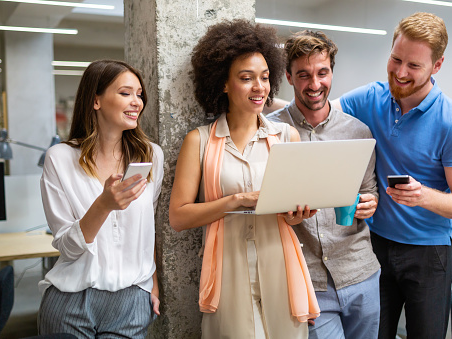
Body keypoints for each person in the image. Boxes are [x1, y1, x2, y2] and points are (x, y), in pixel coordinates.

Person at [169, 19, 320, 339]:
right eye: (246, 78)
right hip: (227, 268)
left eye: (265, 78)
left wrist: (297, 215)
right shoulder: (199, 141)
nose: (259, 87)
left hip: (280, 261)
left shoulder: (286, 136)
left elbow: (291, 211)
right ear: (223, 83)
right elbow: (178, 216)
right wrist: (237, 201)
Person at [334, 12, 452, 339]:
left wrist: (423, 195)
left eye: (413, 66)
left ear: (437, 66)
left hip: (428, 255)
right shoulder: (371, 98)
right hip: (375, 247)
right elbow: (319, 116)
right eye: (396, 59)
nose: (400, 73)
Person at [266, 30, 381, 339]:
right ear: (289, 77)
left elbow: (369, 192)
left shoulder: (357, 132)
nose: (315, 85)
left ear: (331, 71)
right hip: (307, 279)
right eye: (303, 75)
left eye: (322, 73)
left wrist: (370, 203)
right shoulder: (270, 132)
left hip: (360, 273)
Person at [38, 60, 163, 338]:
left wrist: (152, 284)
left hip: (130, 301)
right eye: (125, 93)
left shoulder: (151, 156)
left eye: (139, 94)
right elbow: (67, 248)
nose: (136, 102)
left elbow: (148, 230)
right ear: (96, 100)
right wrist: (103, 205)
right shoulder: (59, 159)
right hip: (70, 301)